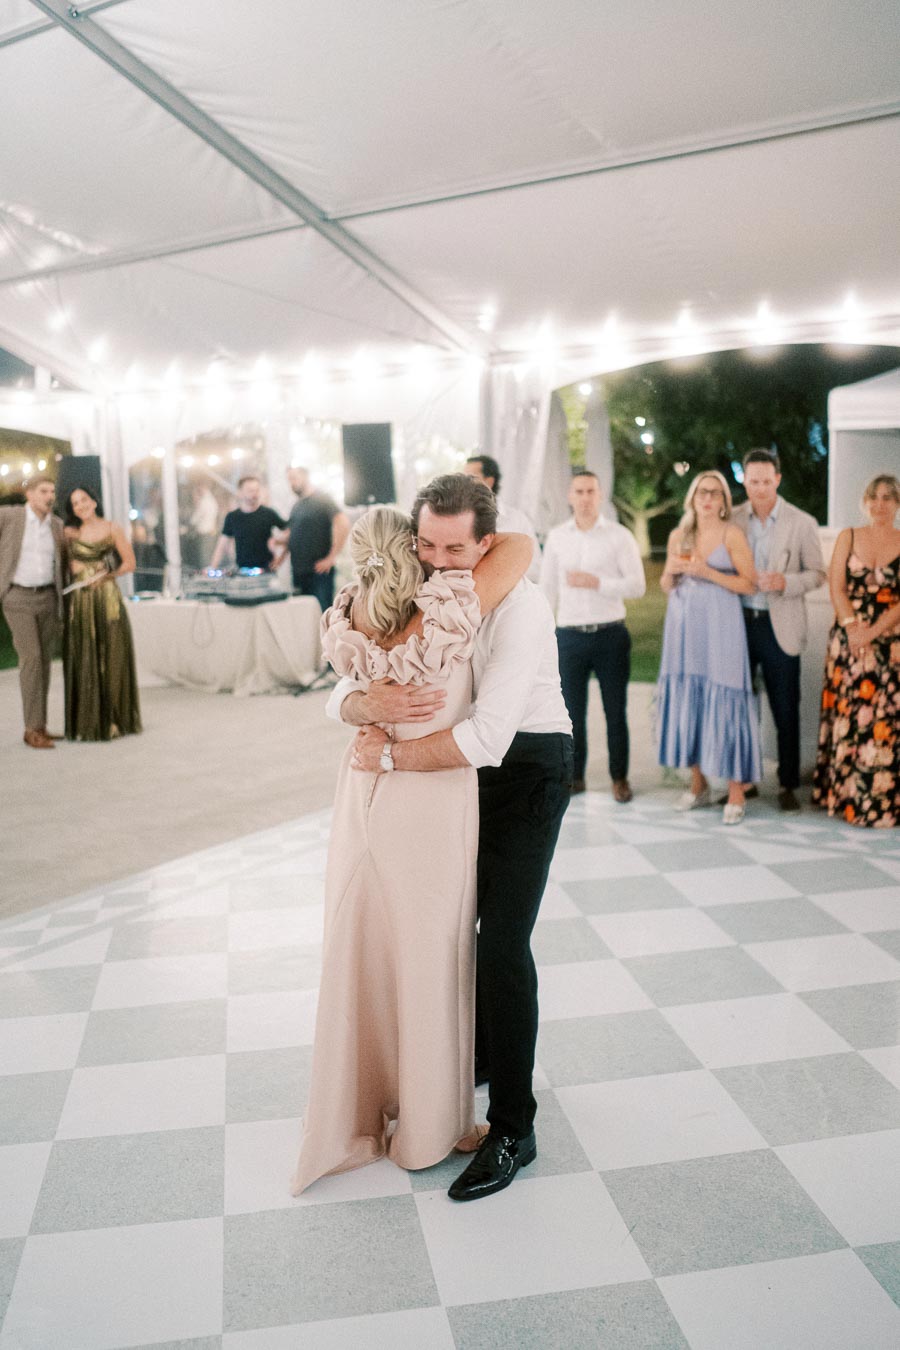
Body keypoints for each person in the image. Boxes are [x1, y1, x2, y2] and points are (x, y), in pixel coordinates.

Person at [334, 473, 574, 1202]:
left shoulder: (520, 606)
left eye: (455, 549)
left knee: (501, 941)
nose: (440, 563)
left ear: (487, 544)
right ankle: (452, 1076)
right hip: (450, 776)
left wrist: (388, 755)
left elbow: (491, 736)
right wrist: (359, 704)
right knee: (442, 930)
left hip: (526, 768)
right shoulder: (417, 592)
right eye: (428, 546)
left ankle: (513, 1128)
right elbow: (341, 681)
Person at [291, 501, 532, 1194]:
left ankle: (358, 1105)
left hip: (363, 789)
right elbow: (519, 546)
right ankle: (430, 1126)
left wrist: (356, 705)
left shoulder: (346, 619)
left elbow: (340, 691)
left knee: (362, 943)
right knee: (432, 953)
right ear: (418, 552)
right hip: (429, 791)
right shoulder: (453, 606)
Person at [658, 470, 760, 824]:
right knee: (691, 699)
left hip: (721, 627)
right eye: (702, 492)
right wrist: (670, 571)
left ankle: (735, 791)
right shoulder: (679, 534)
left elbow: (750, 584)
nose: (708, 498)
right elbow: (668, 585)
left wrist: (708, 572)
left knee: (726, 699)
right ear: (693, 497)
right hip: (683, 628)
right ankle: (698, 784)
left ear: (723, 502)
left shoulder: (732, 534)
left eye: (715, 493)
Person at [540, 470, 645, 802]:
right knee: (571, 712)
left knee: (615, 710)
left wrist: (597, 582)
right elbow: (546, 591)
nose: (585, 498)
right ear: (570, 496)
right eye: (579, 491)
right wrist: (542, 637)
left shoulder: (619, 537)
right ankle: (576, 776)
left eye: (591, 491)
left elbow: (638, 586)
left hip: (610, 634)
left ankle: (619, 778)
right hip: (569, 636)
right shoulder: (557, 537)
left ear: (600, 496)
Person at [732, 448, 826, 810]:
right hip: (739, 624)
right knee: (741, 707)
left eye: (766, 481)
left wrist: (784, 581)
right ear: (745, 480)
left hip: (780, 625)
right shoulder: (734, 518)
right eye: (753, 481)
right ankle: (744, 780)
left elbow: (817, 573)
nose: (759, 488)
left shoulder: (802, 522)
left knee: (785, 707)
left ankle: (787, 784)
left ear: (778, 480)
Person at [812, 473, 900, 827]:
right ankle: (845, 796)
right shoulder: (848, 536)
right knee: (851, 714)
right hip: (848, 636)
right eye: (874, 497)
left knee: (885, 720)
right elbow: (837, 587)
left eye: (888, 498)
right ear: (865, 502)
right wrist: (853, 628)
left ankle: (882, 801)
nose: (880, 504)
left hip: (891, 640)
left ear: (897, 504)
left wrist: (875, 632)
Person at [63, 486, 142, 742]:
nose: (80, 506)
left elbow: (129, 563)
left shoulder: (111, 528)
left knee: (113, 652)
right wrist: (74, 568)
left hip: (107, 596)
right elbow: (64, 564)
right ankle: (88, 720)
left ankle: (116, 718)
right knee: (86, 653)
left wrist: (107, 574)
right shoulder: (71, 533)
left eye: (84, 500)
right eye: (75, 503)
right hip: (82, 600)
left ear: (94, 501)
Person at [0, 477, 65, 749]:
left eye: (52, 491)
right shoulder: (10, 516)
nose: (49, 496)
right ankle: (31, 729)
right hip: (18, 597)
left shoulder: (57, 525)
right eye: (43, 491)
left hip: (48, 597)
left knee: (45, 663)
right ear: (29, 494)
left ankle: (40, 725)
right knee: (32, 658)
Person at [271, 466, 350, 609]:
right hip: (299, 572)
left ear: (305, 476)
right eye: (289, 480)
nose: (292, 483)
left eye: (294, 478)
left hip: (319, 573)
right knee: (303, 617)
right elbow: (292, 536)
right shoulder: (296, 505)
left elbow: (343, 523)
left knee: (322, 614)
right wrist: (279, 557)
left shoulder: (322, 499)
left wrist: (331, 557)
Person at [463, 454, 540, 580]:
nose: (465, 484)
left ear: (489, 481)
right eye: (463, 478)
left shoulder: (518, 520)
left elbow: (535, 567)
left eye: (471, 477)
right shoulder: (459, 520)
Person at [207, 476, 286, 572]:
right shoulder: (232, 517)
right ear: (240, 493)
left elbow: (290, 532)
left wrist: (281, 557)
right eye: (250, 490)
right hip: (242, 571)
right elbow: (222, 545)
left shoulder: (269, 513)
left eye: (256, 490)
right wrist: (212, 568)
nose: (254, 494)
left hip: (266, 571)